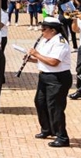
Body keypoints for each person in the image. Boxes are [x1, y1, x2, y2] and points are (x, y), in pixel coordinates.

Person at [28, 16, 72, 147]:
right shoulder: (46, 40)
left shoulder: (60, 42)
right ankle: (47, 129)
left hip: (57, 78)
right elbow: (44, 58)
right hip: (44, 77)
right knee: (40, 102)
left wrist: (36, 55)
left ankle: (62, 136)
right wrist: (32, 59)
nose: (42, 32)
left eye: (44, 29)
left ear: (53, 30)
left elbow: (54, 62)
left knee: (55, 108)